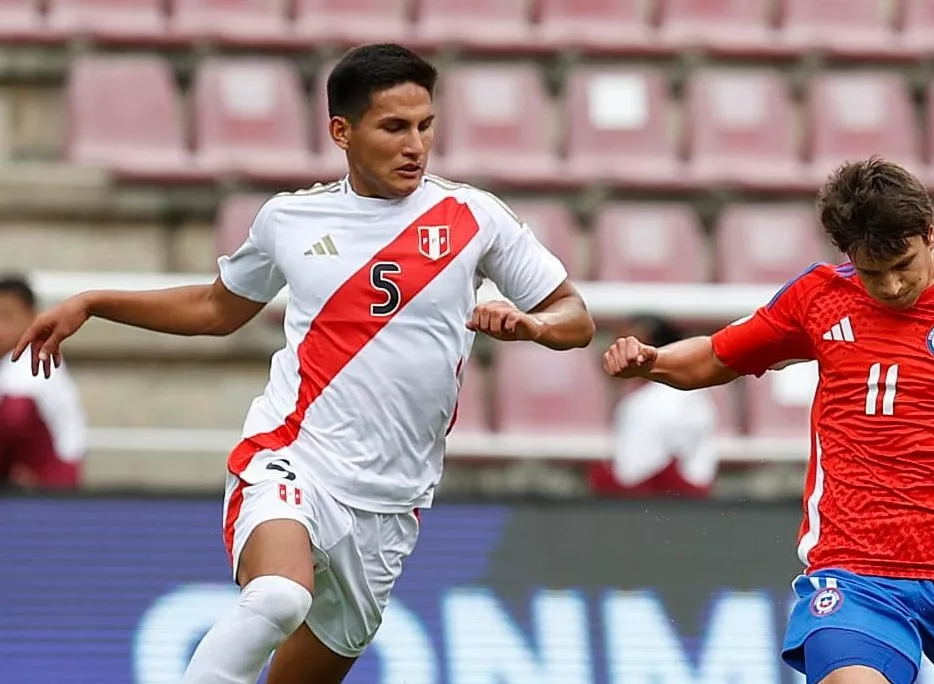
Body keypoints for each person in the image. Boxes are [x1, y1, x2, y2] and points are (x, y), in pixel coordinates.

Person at [13, 43, 594, 684]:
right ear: (341, 132)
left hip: (392, 502)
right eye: (393, 127)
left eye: (425, 126)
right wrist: (97, 302)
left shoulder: (472, 217)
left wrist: (535, 325)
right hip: (293, 457)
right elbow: (216, 308)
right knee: (279, 596)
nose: (416, 146)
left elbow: (576, 316)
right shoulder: (289, 220)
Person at [603, 157, 934, 684]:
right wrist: (657, 361)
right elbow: (718, 355)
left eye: (904, 264)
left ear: (929, 232)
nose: (892, 286)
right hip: (856, 568)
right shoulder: (818, 298)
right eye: (873, 272)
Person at [588, 315, 717, 498]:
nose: (614, 352)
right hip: (685, 504)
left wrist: (597, 478)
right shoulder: (689, 392)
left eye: (624, 346)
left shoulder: (651, 402)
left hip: (659, 506)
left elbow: (636, 478)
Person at [0, 275, 87, 490]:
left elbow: (15, 419)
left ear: (32, 317)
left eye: (7, 317)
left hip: (48, 479)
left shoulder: (34, 361)